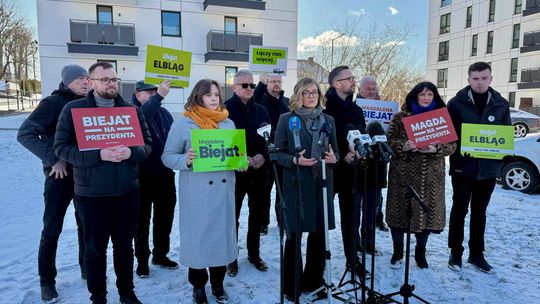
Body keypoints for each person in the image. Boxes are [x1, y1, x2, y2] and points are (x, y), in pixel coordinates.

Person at [54, 61, 152, 304]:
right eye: (105, 79)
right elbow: (61, 148)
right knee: (95, 250)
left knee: (124, 248)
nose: (111, 84)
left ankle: (126, 292)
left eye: (114, 79)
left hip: (127, 191)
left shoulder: (132, 110)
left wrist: (132, 153)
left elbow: (147, 145)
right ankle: (98, 296)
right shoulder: (73, 110)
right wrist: (98, 155)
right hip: (91, 195)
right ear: (91, 82)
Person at [17, 64, 88, 302]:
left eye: (87, 78)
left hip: (85, 176)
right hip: (59, 177)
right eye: (80, 79)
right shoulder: (53, 103)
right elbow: (25, 133)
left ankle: (86, 268)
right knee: (52, 230)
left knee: (85, 226)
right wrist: (53, 159)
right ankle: (46, 281)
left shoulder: (88, 103)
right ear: (67, 81)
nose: (86, 82)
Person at [162, 79, 236, 304]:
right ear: (198, 96)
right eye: (208, 94)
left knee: (221, 242)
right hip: (197, 195)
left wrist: (240, 161)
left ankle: (218, 283)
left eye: (216, 94)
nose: (214, 98)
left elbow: (233, 153)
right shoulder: (184, 123)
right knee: (199, 242)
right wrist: (186, 159)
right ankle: (198, 286)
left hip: (223, 194)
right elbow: (167, 156)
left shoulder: (228, 123)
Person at [274, 77, 338, 302]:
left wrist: (333, 158)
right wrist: (294, 160)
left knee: (319, 237)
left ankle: (314, 281)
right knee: (295, 237)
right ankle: (292, 286)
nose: (311, 96)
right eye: (306, 92)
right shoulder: (286, 119)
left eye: (314, 92)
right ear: (298, 95)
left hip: (321, 184)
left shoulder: (328, 119)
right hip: (296, 186)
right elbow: (275, 153)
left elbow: (336, 153)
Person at [447, 62, 511, 273]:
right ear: (469, 80)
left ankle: (476, 255)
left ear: (491, 79)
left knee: (479, 212)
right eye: (475, 78)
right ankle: (455, 253)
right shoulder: (456, 103)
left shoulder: (501, 104)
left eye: (484, 78)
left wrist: (500, 157)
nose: (480, 82)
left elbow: (505, 134)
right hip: (462, 168)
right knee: (459, 210)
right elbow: (449, 136)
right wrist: (457, 151)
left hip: (488, 170)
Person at [386, 81, 456, 269]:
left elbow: (452, 145)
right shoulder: (400, 117)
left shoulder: (441, 117)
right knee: (399, 214)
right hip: (403, 175)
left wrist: (436, 148)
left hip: (431, 177)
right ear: (415, 96)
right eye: (422, 94)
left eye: (429, 94)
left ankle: (420, 253)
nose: (426, 98)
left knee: (426, 215)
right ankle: (397, 251)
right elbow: (388, 141)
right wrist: (403, 145)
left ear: (435, 97)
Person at [323, 66, 368, 278]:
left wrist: (358, 153)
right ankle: (318, 262)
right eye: (348, 78)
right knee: (321, 220)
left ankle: (353, 260)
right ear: (336, 84)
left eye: (353, 77)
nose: (353, 81)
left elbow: (362, 137)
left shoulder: (357, 110)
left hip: (351, 173)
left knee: (351, 220)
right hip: (328, 172)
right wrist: (341, 155)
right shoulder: (323, 108)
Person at [224, 70, 271, 276]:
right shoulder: (224, 109)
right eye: (245, 85)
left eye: (252, 85)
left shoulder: (262, 110)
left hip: (259, 171)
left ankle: (254, 253)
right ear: (234, 87)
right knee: (232, 216)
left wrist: (263, 155)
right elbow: (221, 142)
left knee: (257, 214)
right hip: (235, 172)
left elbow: (269, 137)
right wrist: (240, 159)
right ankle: (230, 256)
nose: (250, 89)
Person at [130, 80, 178, 278]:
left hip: (165, 174)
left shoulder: (165, 113)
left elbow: (173, 138)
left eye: (154, 91)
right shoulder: (131, 110)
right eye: (149, 92)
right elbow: (141, 119)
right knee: (141, 221)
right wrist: (158, 97)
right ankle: (142, 260)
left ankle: (160, 254)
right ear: (138, 94)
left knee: (164, 218)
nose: (153, 94)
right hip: (141, 176)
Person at [253, 73, 290, 234]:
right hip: (266, 152)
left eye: (279, 81)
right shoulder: (261, 100)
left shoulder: (286, 102)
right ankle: (263, 222)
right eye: (273, 81)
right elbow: (254, 99)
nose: (276, 84)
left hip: (283, 152)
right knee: (264, 190)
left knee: (283, 189)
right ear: (266, 84)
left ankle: (282, 220)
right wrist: (260, 83)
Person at [358, 76, 389, 232]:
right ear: (360, 89)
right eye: (367, 89)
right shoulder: (355, 106)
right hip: (361, 161)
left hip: (378, 162)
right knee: (359, 204)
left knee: (376, 199)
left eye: (373, 88)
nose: (371, 92)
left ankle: (376, 222)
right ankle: (358, 238)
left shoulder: (385, 107)